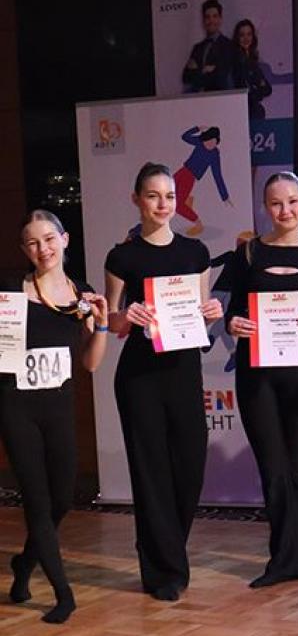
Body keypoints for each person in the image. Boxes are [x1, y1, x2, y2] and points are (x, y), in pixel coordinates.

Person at [104, 162, 222, 602]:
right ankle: (165, 570)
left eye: (169, 196)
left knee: (190, 466)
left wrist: (213, 313)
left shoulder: (195, 253)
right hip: (140, 376)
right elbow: (110, 321)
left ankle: (165, 552)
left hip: (183, 370)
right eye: (153, 196)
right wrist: (125, 316)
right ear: (136, 199)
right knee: (150, 470)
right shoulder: (122, 257)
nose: (162, 204)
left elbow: (201, 314)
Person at [226, 172, 298, 587]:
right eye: (275, 203)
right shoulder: (248, 252)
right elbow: (232, 312)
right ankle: (283, 559)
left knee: (297, 468)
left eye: (292, 201)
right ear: (265, 208)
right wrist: (234, 324)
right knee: (273, 469)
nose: (284, 210)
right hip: (256, 377)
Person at [1, 210, 108, 623]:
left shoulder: (82, 296)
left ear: (64, 240)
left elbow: (91, 363)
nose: (42, 249)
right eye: (32, 243)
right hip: (16, 407)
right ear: (23, 250)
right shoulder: (9, 291)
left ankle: (24, 563)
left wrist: (101, 326)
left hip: (59, 407)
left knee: (62, 498)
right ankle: (64, 594)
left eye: (48, 239)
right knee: (37, 500)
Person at [173, 125, 233, 237]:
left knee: (178, 205)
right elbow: (184, 137)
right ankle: (188, 203)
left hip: (190, 177)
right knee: (167, 192)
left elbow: (217, 175)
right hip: (182, 171)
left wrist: (224, 196)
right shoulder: (199, 142)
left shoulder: (214, 155)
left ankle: (198, 223)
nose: (210, 144)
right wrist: (197, 128)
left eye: (214, 142)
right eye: (209, 141)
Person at [182, 0, 233, 93]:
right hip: (198, 99)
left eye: (215, 16)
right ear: (203, 21)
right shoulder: (197, 48)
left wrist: (197, 72)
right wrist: (205, 71)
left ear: (220, 19)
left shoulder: (229, 45)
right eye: (207, 17)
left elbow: (221, 78)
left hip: (221, 98)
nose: (211, 20)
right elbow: (186, 77)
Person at [232, 19, 273, 120]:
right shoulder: (236, 61)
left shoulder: (252, 60)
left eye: (249, 34)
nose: (246, 38)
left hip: (254, 109)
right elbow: (244, 88)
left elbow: (267, 89)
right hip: (243, 110)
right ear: (237, 38)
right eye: (242, 35)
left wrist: (257, 88)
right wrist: (257, 88)